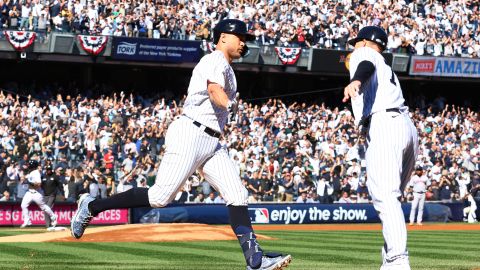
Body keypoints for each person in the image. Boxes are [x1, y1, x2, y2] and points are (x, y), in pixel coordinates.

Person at [71, 19, 291, 270]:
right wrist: (229, 104)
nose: (244, 42)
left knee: (237, 194)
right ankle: (93, 204)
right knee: (159, 197)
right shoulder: (213, 60)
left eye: (245, 38)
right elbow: (214, 91)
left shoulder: (228, 68)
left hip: (212, 142)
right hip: (191, 133)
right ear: (222, 38)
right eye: (239, 36)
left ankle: (255, 259)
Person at [343, 26, 418, 270]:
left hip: (385, 125)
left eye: (356, 43)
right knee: (392, 198)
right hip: (405, 127)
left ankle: (397, 261)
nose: (353, 48)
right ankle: (390, 258)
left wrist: (355, 80)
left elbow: (365, 66)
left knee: (386, 197)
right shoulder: (385, 65)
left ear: (364, 41)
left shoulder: (365, 53)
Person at [20, 160, 58, 229]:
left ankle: (53, 216)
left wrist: (30, 183)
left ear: (32, 166)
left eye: (30, 165)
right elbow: (25, 178)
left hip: (37, 193)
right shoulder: (31, 172)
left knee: (43, 207)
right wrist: (23, 179)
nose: (29, 166)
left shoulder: (36, 172)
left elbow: (39, 184)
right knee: (23, 205)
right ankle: (27, 221)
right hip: (29, 192)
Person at [41, 164, 63, 228]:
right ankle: (48, 225)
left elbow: (59, 185)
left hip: (52, 195)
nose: (48, 171)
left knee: (48, 207)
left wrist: (62, 193)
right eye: (47, 170)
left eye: (49, 169)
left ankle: (52, 222)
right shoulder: (43, 176)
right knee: (46, 209)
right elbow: (41, 186)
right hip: (45, 195)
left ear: (51, 170)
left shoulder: (55, 176)